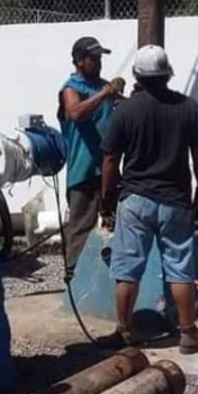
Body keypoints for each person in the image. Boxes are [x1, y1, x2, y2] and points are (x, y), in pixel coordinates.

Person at [101, 44, 198, 355]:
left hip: (135, 199)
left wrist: (106, 198)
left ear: (137, 75)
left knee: (127, 268)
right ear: (167, 74)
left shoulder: (125, 110)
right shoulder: (188, 107)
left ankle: (123, 332)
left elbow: (110, 159)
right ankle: (188, 333)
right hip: (176, 200)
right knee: (180, 268)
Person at [57, 36, 125, 271]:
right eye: (92, 58)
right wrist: (104, 94)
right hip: (84, 169)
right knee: (81, 226)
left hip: (108, 167)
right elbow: (75, 113)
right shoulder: (71, 88)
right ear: (78, 60)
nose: (98, 63)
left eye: (99, 58)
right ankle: (74, 274)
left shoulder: (102, 86)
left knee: (116, 221)